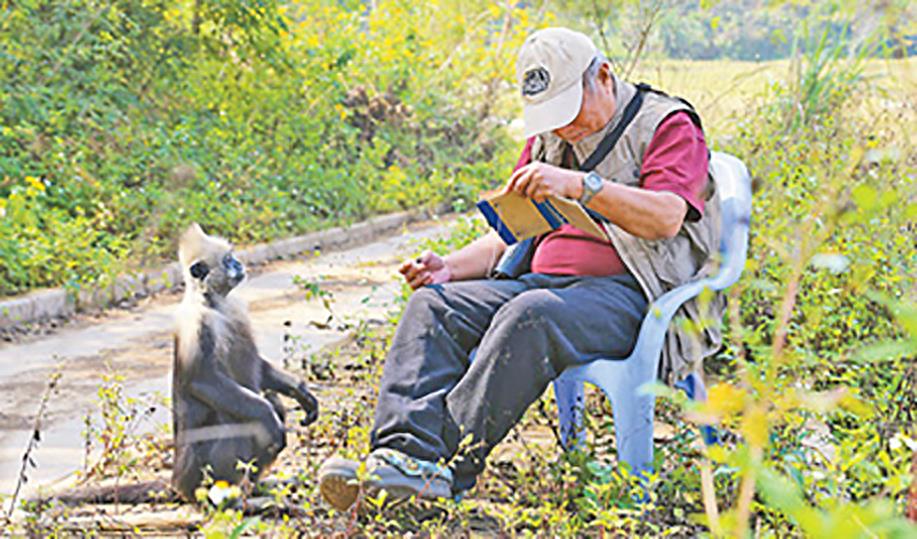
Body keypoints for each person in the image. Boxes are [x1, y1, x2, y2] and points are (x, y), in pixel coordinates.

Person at [317, 27, 724, 511]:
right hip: (544, 283)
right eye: (552, 117)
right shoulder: (549, 139)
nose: (563, 128)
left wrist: (582, 185)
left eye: (570, 110)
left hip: (632, 294)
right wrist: (450, 268)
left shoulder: (667, 124)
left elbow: (665, 217)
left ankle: (440, 471)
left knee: (532, 314)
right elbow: (511, 230)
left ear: (605, 77)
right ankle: (401, 456)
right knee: (433, 306)